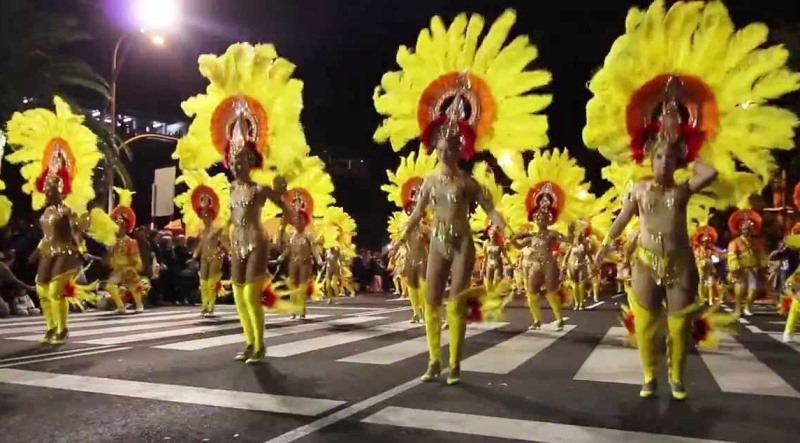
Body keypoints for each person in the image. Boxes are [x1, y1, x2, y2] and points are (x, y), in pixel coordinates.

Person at [173, 43, 309, 364]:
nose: (237, 164)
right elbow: (231, 218)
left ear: (252, 161)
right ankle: (249, 343)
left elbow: (288, 208)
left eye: (242, 159)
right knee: (236, 294)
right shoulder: (231, 189)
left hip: (257, 242)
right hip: (236, 244)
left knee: (251, 293)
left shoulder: (261, 189)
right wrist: (219, 234)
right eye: (233, 160)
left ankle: (260, 345)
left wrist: (284, 229)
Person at [6, 96, 114, 343]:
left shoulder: (68, 210)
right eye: (46, 185)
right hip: (48, 251)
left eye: (52, 185)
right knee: (41, 288)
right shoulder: (45, 213)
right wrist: (35, 250)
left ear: (61, 187)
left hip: (67, 253)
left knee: (56, 290)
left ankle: (63, 329)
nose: (47, 189)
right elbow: (45, 235)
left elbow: (80, 233)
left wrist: (89, 250)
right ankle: (51, 327)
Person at [175, 171, 231, 317]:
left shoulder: (217, 229)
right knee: (203, 282)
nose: (204, 217)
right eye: (203, 215)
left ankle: (211, 306)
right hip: (204, 257)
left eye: (207, 214)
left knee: (212, 282)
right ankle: (204, 305)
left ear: (212, 215)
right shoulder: (202, 231)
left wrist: (229, 252)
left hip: (215, 257)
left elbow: (224, 243)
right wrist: (194, 255)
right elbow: (200, 244)